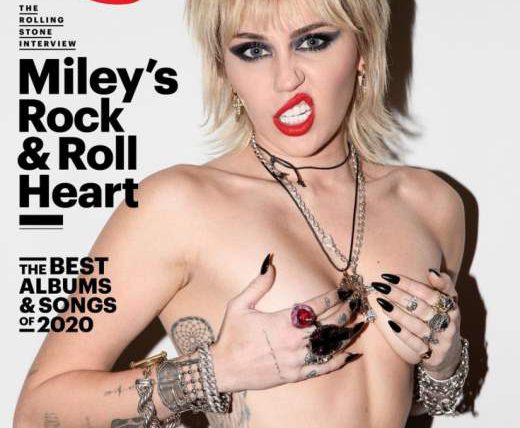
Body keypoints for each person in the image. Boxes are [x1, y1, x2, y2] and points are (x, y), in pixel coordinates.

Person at [14, 0, 469, 427]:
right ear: (224, 69)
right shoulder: (176, 205)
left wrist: (443, 365)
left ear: (362, 50)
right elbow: (37, 411)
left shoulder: (432, 204)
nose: (285, 78)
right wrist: (213, 372)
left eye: (312, 42)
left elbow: (390, 399)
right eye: (253, 50)